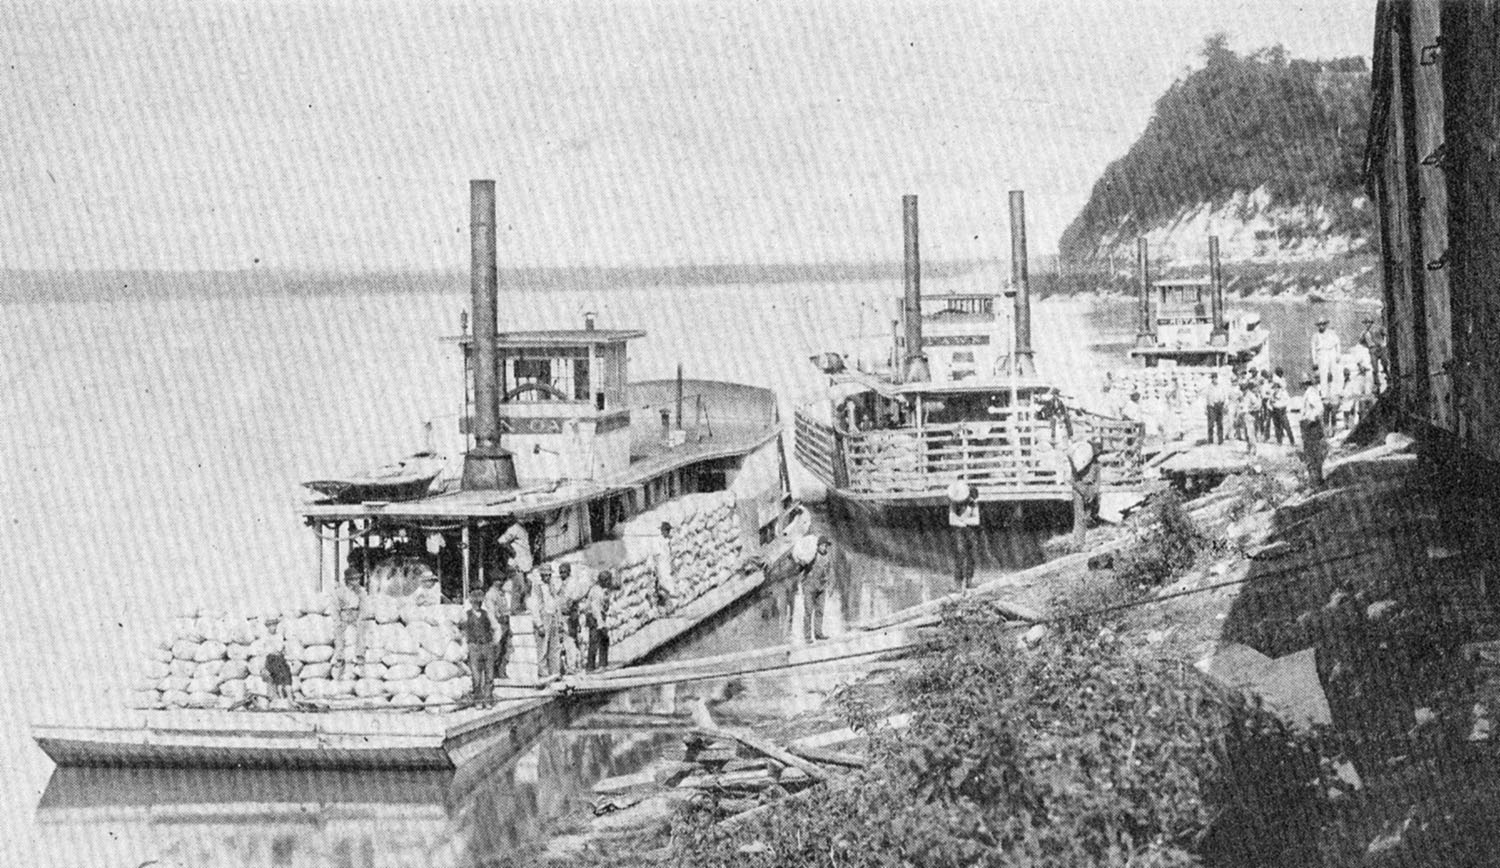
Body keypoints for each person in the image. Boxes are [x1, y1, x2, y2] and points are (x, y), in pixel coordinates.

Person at [461, 588, 497, 703]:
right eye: (475, 602)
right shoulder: (466, 615)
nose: (477, 604)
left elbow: (496, 628)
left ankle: (488, 698)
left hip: (487, 645)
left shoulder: (487, 614)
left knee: (489, 674)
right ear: (471, 602)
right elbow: (462, 631)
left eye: (479, 602)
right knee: (476, 676)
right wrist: (466, 644)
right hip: (474, 646)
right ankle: (478, 699)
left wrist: (494, 642)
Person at [796, 536, 834, 642]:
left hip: (821, 587)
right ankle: (807, 637)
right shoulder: (811, 555)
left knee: (820, 611)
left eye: (826, 546)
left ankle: (818, 633)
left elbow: (830, 571)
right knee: (808, 611)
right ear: (818, 546)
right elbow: (801, 568)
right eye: (823, 545)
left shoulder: (827, 556)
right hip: (809, 587)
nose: (825, 548)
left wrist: (830, 586)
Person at [1069, 438, 1102, 550]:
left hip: (1090, 490)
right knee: (1080, 517)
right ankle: (1078, 544)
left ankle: (1081, 542)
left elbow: (1097, 481)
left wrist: (1092, 492)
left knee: (1087, 517)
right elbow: (1073, 480)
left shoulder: (1097, 464)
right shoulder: (1080, 461)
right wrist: (1082, 491)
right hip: (1079, 489)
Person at [330, 572, 365, 679]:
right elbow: (335, 607)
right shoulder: (339, 592)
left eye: (358, 579)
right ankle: (339, 660)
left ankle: (359, 659)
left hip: (355, 614)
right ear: (348, 580)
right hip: (344, 614)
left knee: (360, 635)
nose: (357, 582)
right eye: (354, 579)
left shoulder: (361, 591)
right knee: (339, 636)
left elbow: (364, 606)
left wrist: (360, 618)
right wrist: (338, 621)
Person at [948, 483, 980, 590]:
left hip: (970, 532)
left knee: (972, 555)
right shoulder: (954, 504)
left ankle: (969, 581)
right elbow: (952, 521)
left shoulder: (973, 504)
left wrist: (962, 520)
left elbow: (976, 521)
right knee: (960, 555)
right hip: (959, 532)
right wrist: (965, 522)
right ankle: (957, 582)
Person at [528, 563, 557, 677]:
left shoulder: (551, 586)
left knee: (554, 648)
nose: (547, 577)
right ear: (541, 575)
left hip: (552, 616)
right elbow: (534, 607)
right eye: (545, 575)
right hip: (543, 618)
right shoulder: (537, 587)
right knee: (543, 648)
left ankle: (555, 672)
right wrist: (539, 624)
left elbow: (555, 602)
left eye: (549, 575)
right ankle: (543, 674)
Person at [497, 522, 533, 612]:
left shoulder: (524, 529)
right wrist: (513, 552)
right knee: (519, 587)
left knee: (525, 587)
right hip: (516, 563)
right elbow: (501, 541)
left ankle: (521, 608)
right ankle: (515, 610)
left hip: (524, 565)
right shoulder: (514, 528)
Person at [482, 576, 511, 681]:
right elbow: (491, 611)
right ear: (494, 581)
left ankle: (501, 671)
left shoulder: (501, 593)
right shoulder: (491, 594)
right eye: (498, 580)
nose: (501, 582)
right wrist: (495, 625)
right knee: (496, 649)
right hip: (497, 624)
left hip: (505, 622)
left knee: (505, 649)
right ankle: (491, 672)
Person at [1299, 377, 1326, 488]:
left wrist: (1310, 419)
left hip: (1311, 427)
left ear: (1305, 384)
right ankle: (1315, 479)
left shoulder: (1311, 394)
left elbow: (1319, 409)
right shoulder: (1309, 393)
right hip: (1309, 426)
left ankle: (1316, 480)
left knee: (1313, 454)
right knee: (1311, 453)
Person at [584, 569, 613, 672]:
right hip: (593, 617)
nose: (609, 582)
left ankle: (603, 664)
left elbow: (604, 606)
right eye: (607, 580)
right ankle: (591, 667)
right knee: (595, 641)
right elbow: (595, 609)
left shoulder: (604, 590)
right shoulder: (596, 591)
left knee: (604, 640)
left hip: (600, 616)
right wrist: (601, 624)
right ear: (602, 581)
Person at [262, 615, 294, 707]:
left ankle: (290, 700)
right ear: (267, 627)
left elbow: (279, 649)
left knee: (287, 678)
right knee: (278, 680)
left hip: (280, 659)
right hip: (271, 659)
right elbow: (266, 650)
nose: (273, 627)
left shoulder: (279, 636)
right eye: (271, 625)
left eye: (275, 625)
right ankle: (281, 700)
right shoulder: (265, 637)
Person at [1310, 317, 1341, 393]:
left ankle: (1335, 392)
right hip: (1321, 354)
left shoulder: (1331, 333)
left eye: (1323, 324)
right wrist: (1314, 360)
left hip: (1331, 352)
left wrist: (1338, 354)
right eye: (1320, 325)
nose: (1321, 326)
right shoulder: (1315, 336)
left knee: (1334, 372)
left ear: (1325, 325)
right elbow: (1313, 349)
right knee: (1323, 374)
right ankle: (1324, 393)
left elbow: (1337, 343)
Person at [650, 522, 676, 612]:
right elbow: (656, 556)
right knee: (664, 587)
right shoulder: (658, 541)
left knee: (669, 585)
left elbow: (670, 554)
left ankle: (669, 607)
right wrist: (657, 570)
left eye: (669, 530)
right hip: (661, 567)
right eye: (666, 530)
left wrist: (672, 565)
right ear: (662, 531)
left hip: (667, 566)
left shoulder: (667, 541)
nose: (668, 532)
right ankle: (666, 607)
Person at [1360, 316, 1389, 393]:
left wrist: (1384, 343)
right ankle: (1377, 384)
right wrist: (1368, 346)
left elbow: (1386, 334)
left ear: (1371, 323)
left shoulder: (1378, 328)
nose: (1367, 324)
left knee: (1385, 362)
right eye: (1365, 323)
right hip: (1372, 350)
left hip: (1381, 348)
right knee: (1375, 368)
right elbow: (1361, 342)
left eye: (1368, 322)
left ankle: (1388, 376)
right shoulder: (1364, 333)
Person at [1204, 371, 1230, 445]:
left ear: (1217, 378)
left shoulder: (1221, 386)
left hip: (1219, 405)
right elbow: (1206, 398)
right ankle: (1210, 440)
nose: (1213, 379)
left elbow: (1225, 396)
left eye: (1215, 378)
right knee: (1211, 424)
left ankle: (1220, 440)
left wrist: (1225, 404)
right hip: (1212, 406)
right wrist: (1206, 408)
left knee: (1220, 423)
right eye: (1212, 378)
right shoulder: (1209, 387)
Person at [1269, 375, 1295, 446]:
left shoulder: (1283, 393)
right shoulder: (1273, 394)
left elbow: (1288, 401)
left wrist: (1285, 407)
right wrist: (1271, 406)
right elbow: (1270, 403)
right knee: (1277, 427)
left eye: (1276, 388)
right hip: (1275, 411)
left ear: (1279, 387)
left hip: (1282, 410)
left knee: (1286, 426)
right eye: (1274, 388)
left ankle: (1292, 441)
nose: (1275, 389)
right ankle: (1279, 441)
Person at [1234, 383, 1258, 457]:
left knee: (1250, 434)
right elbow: (1240, 406)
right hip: (1244, 416)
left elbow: (1257, 404)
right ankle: (1248, 448)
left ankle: (1253, 449)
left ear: (1247, 389)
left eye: (1244, 389)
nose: (1243, 391)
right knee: (1246, 433)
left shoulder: (1250, 395)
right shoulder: (1242, 396)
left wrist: (1251, 409)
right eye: (1242, 389)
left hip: (1250, 416)